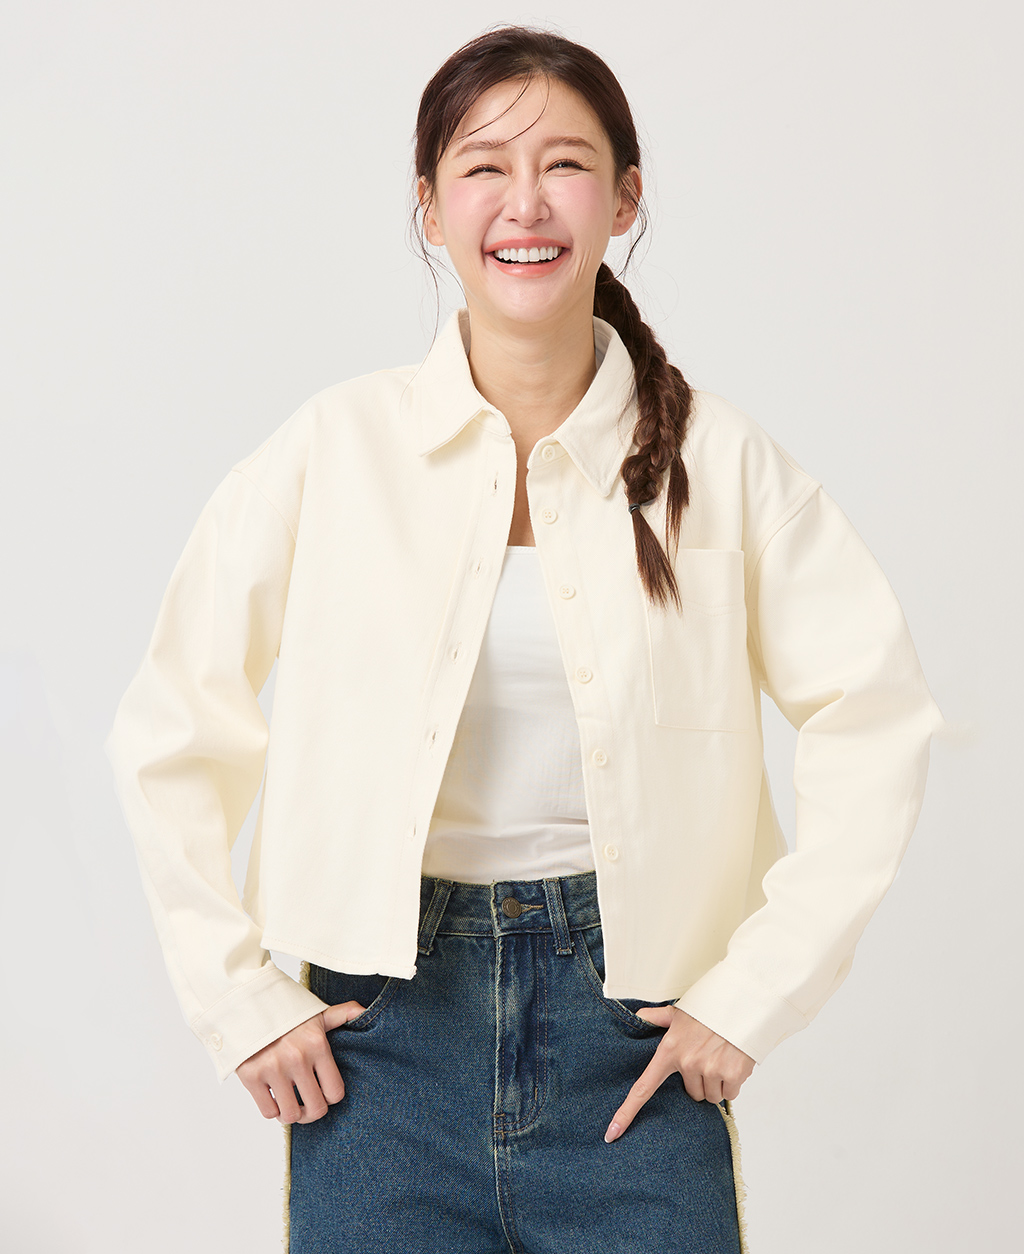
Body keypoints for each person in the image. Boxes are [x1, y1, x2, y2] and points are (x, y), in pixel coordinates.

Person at [106, 24, 944, 1254]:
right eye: (483, 166)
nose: (525, 202)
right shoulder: (331, 452)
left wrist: (755, 993)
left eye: (564, 164)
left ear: (624, 200)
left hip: (634, 1041)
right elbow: (173, 727)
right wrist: (238, 998)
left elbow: (875, 716)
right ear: (430, 208)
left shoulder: (720, 463)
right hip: (378, 1049)